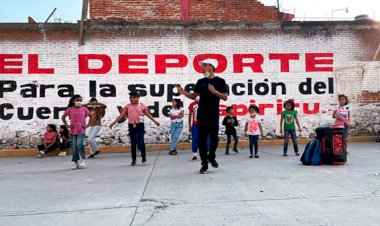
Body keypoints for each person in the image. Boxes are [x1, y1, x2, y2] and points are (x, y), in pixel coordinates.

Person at [177, 59, 228, 174]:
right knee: (202, 140)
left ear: (211, 67)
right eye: (202, 66)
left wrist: (214, 91)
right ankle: (204, 163)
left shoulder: (220, 81)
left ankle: (212, 157)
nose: (202, 68)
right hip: (201, 115)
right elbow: (193, 96)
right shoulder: (200, 81)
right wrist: (183, 92)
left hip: (213, 114)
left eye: (205, 66)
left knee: (214, 138)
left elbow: (225, 97)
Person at [109, 92, 160, 166]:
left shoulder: (142, 106)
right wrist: (113, 123)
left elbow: (148, 114)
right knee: (133, 143)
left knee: (141, 141)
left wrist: (155, 121)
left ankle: (143, 156)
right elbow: (121, 116)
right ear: (130, 98)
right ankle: (134, 160)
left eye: (137, 97)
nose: (136, 99)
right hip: (131, 125)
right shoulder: (127, 106)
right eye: (134, 97)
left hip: (140, 125)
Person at [62, 95, 91, 169]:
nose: (79, 102)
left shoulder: (84, 109)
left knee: (79, 144)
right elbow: (63, 117)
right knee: (74, 147)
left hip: (81, 129)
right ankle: (75, 162)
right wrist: (67, 125)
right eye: (77, 100)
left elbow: (91, 117)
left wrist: (87, 125)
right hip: (72, 130)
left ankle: (84, 160)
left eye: (80, 100)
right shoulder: (70, 109)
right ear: (73, 101)